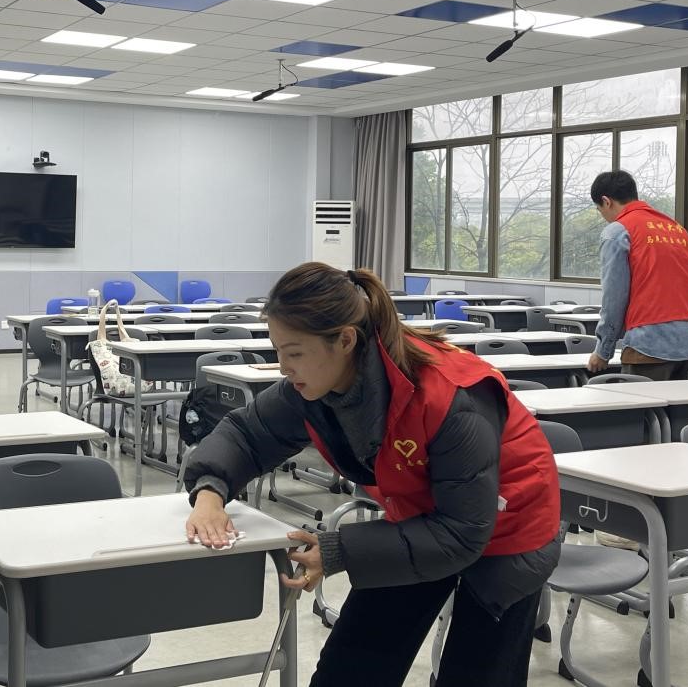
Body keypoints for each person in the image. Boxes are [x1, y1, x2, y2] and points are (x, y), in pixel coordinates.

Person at [183, 263, 561, 687]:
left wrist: (339, 550)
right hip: (423, 518)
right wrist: (211, 491)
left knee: (479, 674)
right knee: (351, 667)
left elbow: (460, 533)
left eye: (294, 353)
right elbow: (247, 433)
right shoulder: (312, 386)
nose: (283, 367)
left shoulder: (450, 398)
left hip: (509, 525)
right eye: (277, 351)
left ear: (345, 340)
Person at [587, 170, 688, 380]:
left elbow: (614, 297)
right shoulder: (676, 229)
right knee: (681, 403)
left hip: (650, 343)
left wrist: (603, 350)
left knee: (638, 402)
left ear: (606, 201)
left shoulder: (618, 231)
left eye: (599, 209)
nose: (603, 217)